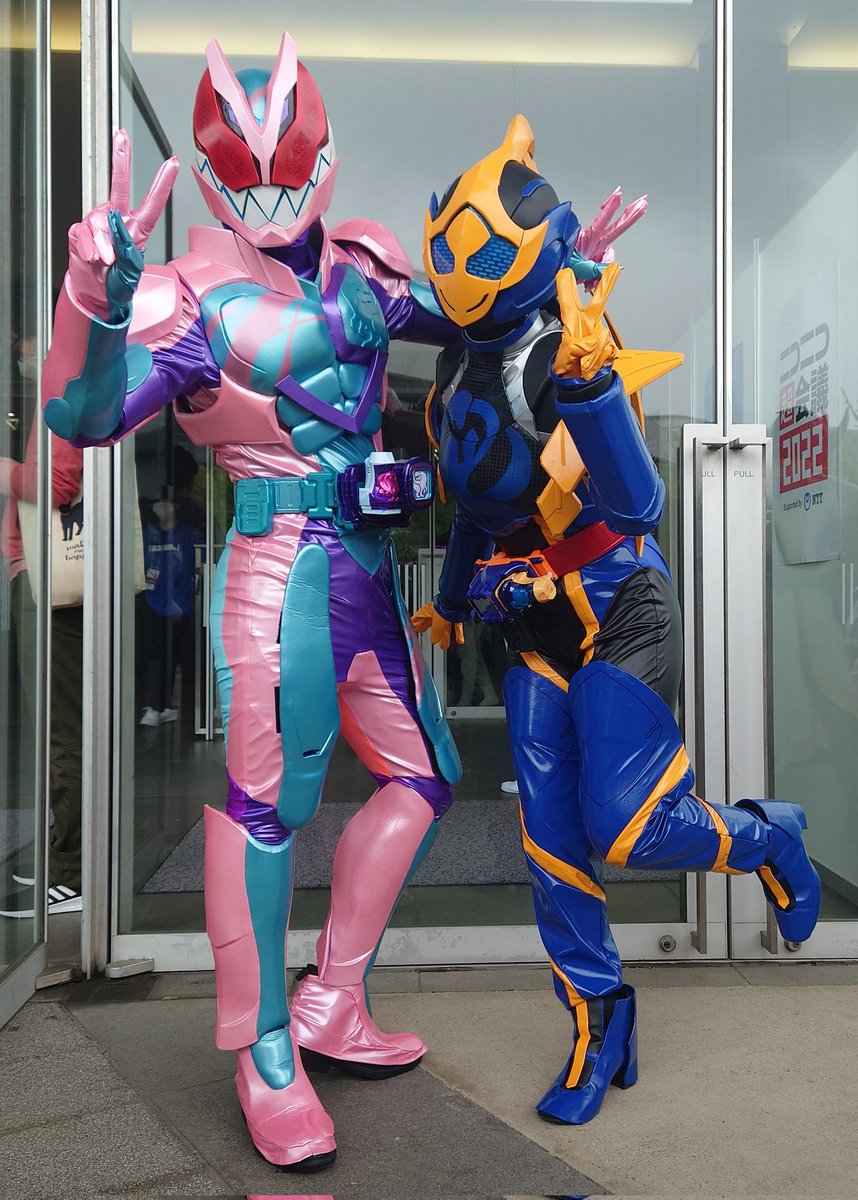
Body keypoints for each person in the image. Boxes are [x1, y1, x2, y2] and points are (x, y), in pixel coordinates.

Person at [41, 32, 460, 1170]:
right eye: (243, 167)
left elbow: (471, 315)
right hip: (278, 572)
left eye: (288, 165)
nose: (269, 188)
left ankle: (333, 1000)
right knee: (266, 807)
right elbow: (85, 417)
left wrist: (562, 285)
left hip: (366, 571)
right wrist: (93, 296)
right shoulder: (184, 299)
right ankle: (265, 1047)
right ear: (213, 168)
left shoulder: (367, 271)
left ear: (323, 158)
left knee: (426, 778)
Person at [415, 115, 821, 1125]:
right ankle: (599, 1022)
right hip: (531, 632)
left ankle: (764, 837)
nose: (462, 273)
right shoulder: (458, 373)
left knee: (631, 826)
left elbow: (638, 503)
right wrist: (453, 598)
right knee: (554, 847)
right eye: (450, 253)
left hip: (619, 606)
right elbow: (475, 508)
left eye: (480, 252)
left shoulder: (571, 344)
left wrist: (592, 381)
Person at [0, 321, 84, 919]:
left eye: (26, 345)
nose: (21, 356)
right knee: (59, 728)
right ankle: (65, 857)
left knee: (63, 732)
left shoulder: (66, 388)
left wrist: (4, 471)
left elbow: (60, 482)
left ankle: (74, 872)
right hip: (35, 574)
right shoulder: (67, 386)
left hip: (45, 577)